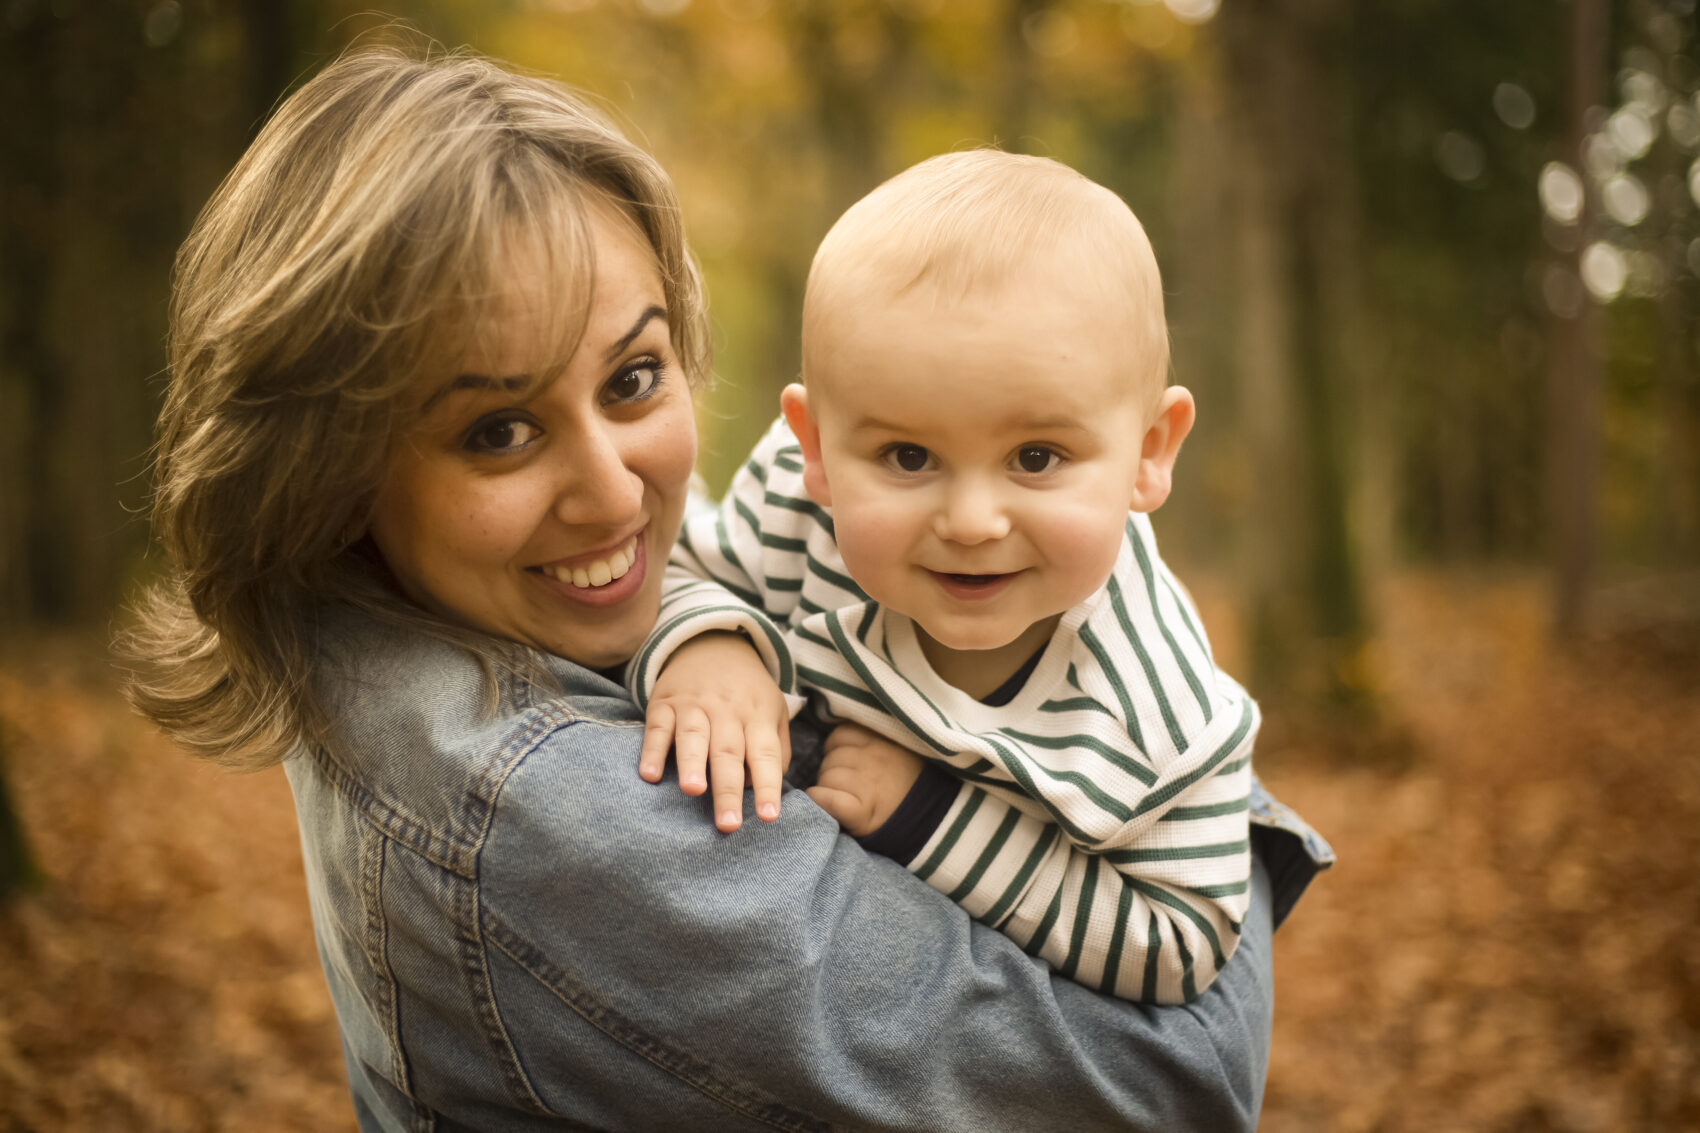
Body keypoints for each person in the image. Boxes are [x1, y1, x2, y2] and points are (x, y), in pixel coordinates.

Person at [121, 44, 1332, 1131]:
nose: (614, 492)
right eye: (497, 429)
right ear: (328, 472)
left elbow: (708, 555)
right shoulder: (543, 816)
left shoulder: (454, 596)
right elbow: (1175, 1076)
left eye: (635, 376)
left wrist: (718, 631)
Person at [632, 152, 1283, 1004]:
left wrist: (936, 820)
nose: (972, 521)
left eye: (1036, 457)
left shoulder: (1158, 710)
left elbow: (1183, 939)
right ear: (818, 448)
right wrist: (709, 639)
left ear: (1150, 453)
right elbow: (674, 569)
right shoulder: (796, 508)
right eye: (909, 455)